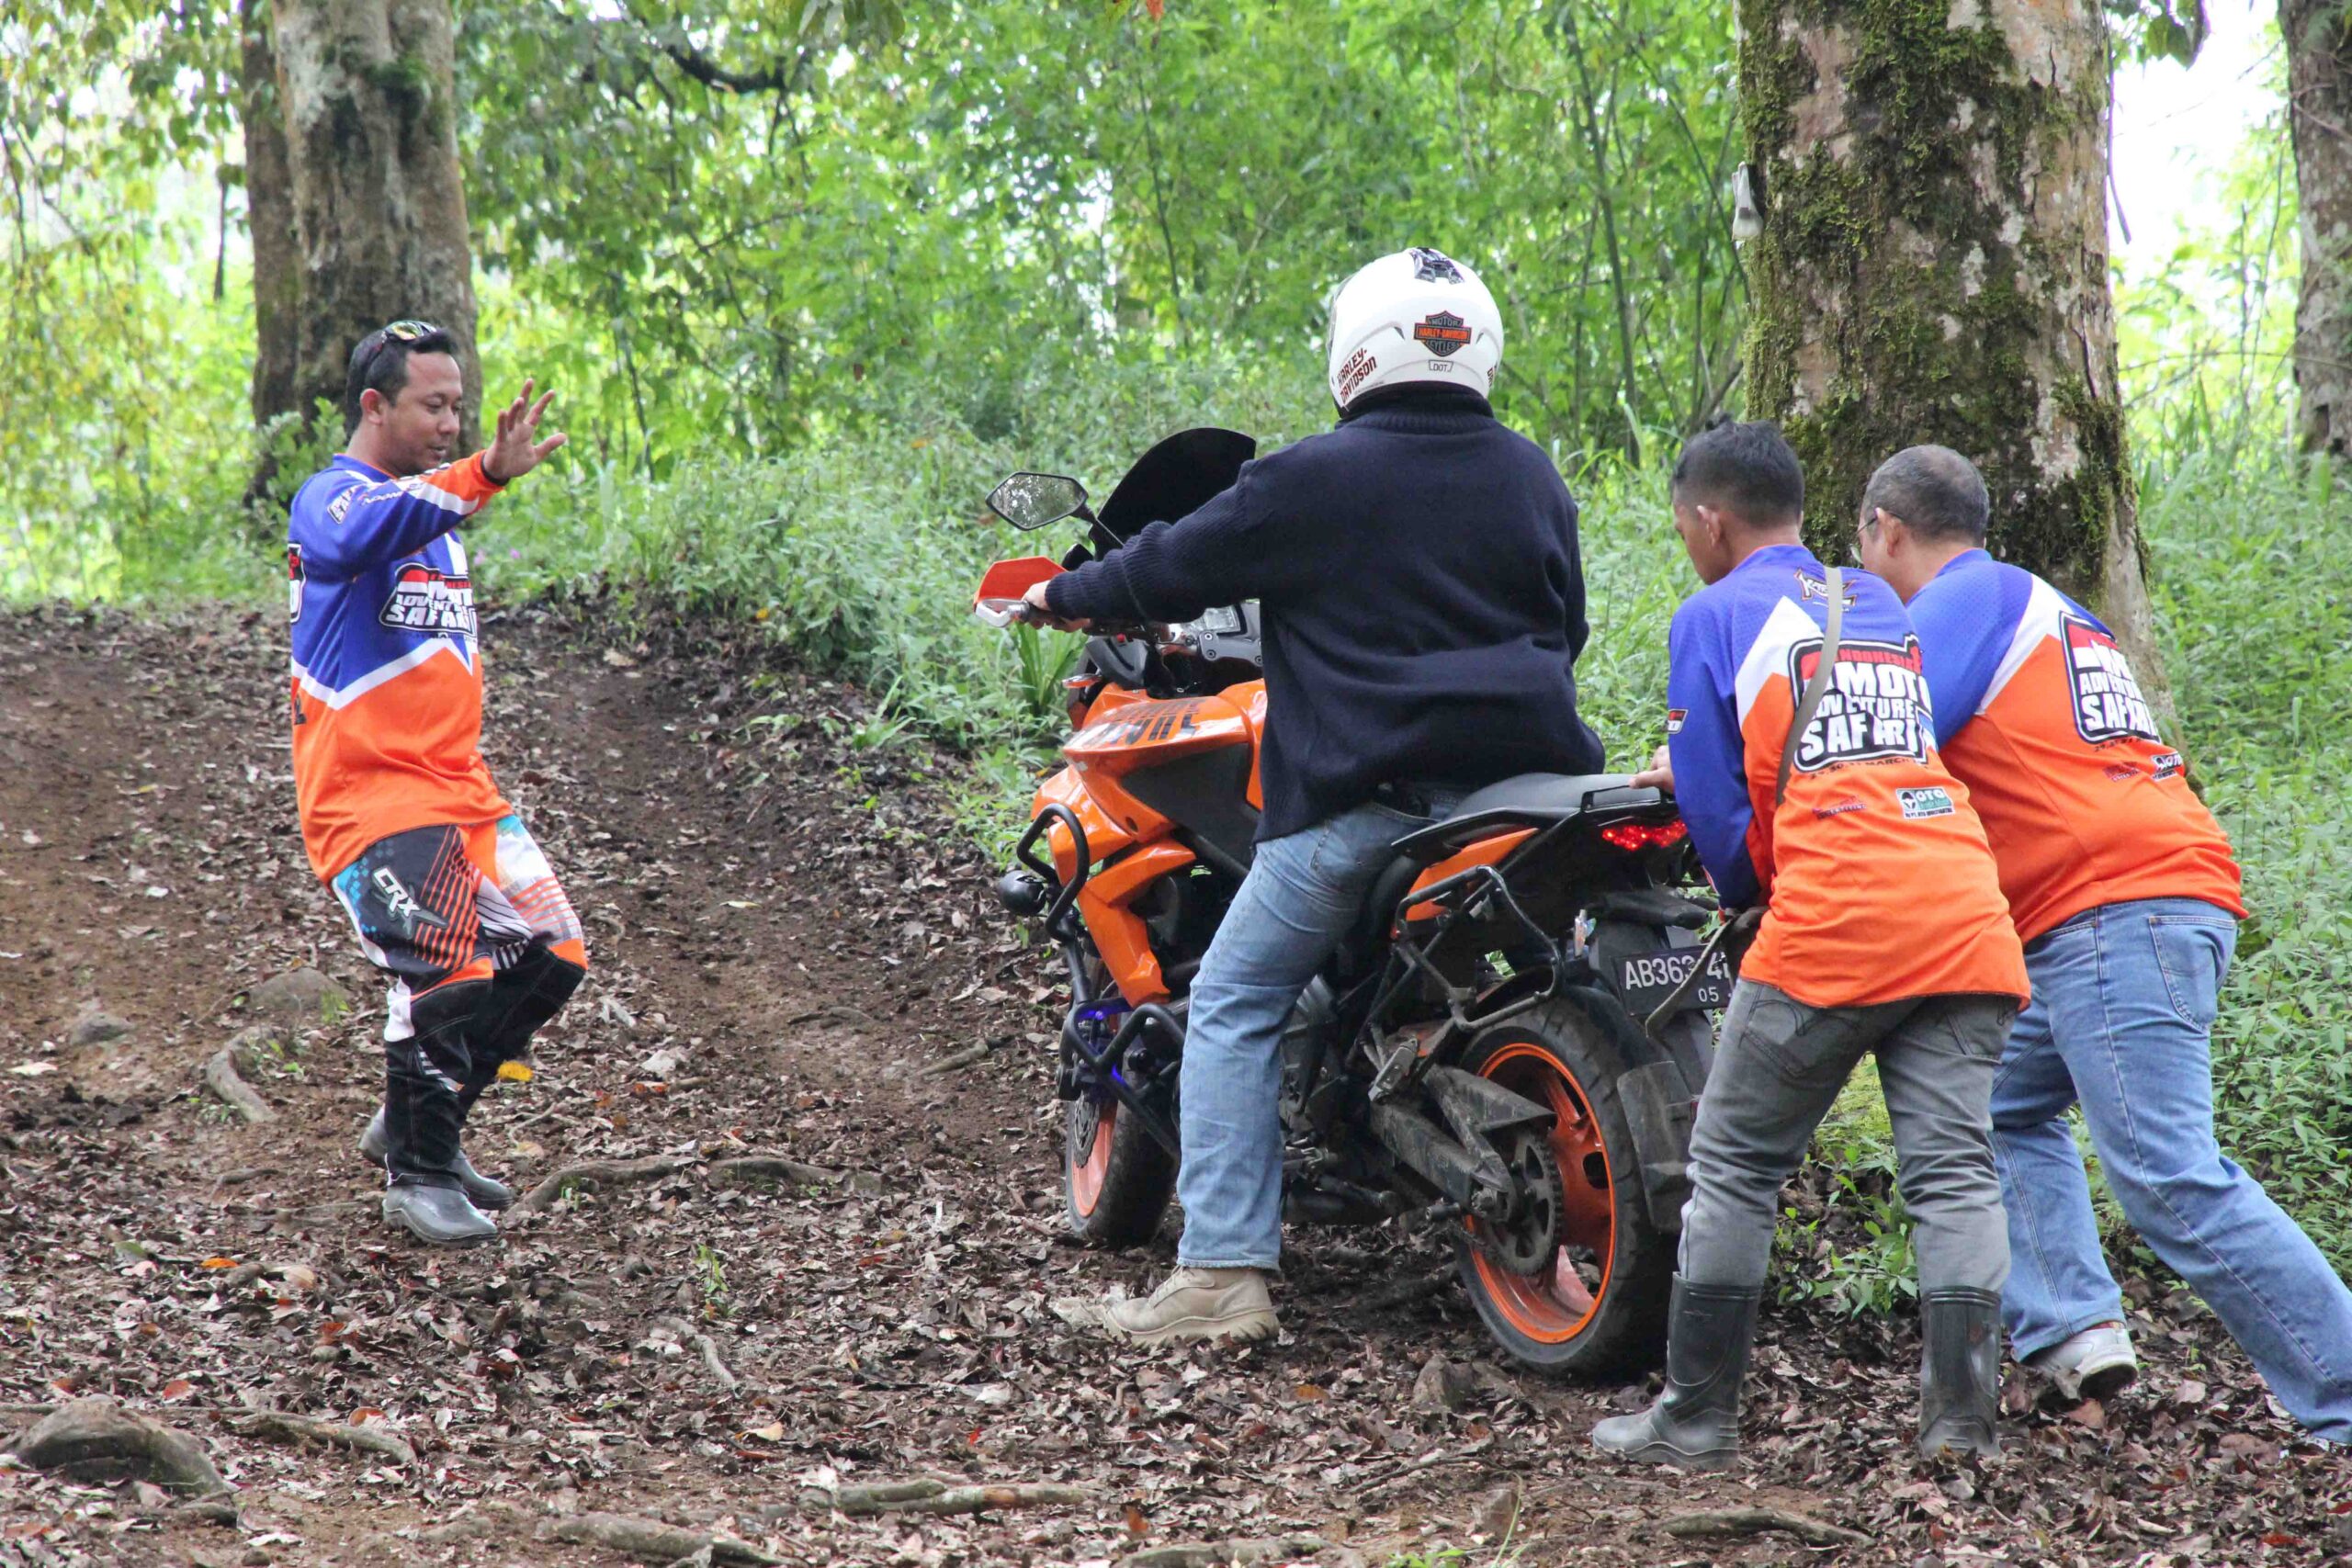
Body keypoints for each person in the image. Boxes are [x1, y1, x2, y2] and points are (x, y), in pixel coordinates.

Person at [1022, 247, 1607, 1346]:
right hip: (1535, 796)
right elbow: (1564, 628)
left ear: (1356, 352)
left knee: (1235, 1000)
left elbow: (1164, 566)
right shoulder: (1532, 475)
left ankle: (1219, 1277)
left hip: (1382, 805)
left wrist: (1061, 592)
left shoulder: (1310, 479)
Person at [1856, 444, 2352, 1440]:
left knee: (2169, 1175)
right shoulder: (2045, 607)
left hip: (2114, 910)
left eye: (1862, 549)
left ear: (1887, 532)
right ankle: (2074, 1333)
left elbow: (1884, 743)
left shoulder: (1964, 597)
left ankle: (2342, 1390)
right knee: (1993, 1112)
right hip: (2127, 904)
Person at [1592, 422, 2029, 1468]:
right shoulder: (1871, 598)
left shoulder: (1711, 613)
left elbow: (1713, 804)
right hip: (1962, 906)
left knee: (1734, 1159)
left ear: (1709, 521)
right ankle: (1960, 1428)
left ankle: (1696, 1418)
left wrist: (1747, 896)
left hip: (1840, 917)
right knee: (1954, 1172)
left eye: (1682, 527)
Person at [288, 319, 583, 1246]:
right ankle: (418, 1176)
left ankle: (424, 1122)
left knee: (553, 955)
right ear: (375, 406)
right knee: (448, 967)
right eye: (433, 405)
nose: (451, 424)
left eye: (459, 406)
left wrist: (467, 483)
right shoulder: (331, 498)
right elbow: (355, 538)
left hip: (460, 788)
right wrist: (483, 473)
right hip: (372, 796)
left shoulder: (439, 515)